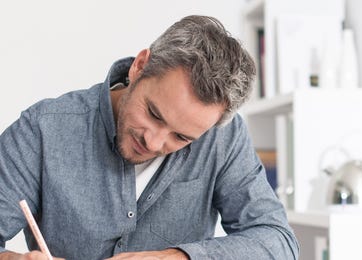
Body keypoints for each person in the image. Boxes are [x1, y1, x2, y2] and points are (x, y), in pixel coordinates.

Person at [0, 15, 299, 260]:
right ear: (140, 66)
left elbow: (278, 242)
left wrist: (176, 257)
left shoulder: (222, 138)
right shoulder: (43, 130)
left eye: (181, 137)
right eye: (154, 114)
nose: (154, 143)